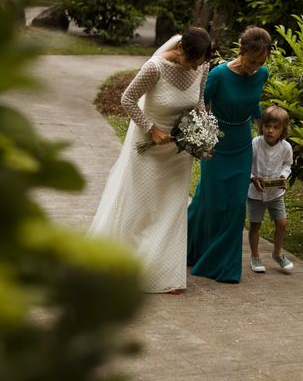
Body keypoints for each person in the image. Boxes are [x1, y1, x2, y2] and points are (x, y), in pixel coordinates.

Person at [88, 27, 212, 293]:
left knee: (172, 208)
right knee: (142, 206)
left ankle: (166, 274)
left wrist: (202, 139)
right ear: (180, 50)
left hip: (179, 150)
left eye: (200, 64)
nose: (195, 69)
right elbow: (128, 99)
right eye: (192, 62)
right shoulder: (155, 67)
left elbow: (199, 103)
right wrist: (151, 129)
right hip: (149, 146)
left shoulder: (202, 66)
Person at [187, 26, 272, 283]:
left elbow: (253, 103)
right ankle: (187, 248)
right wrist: (201, 140)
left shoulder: (262, 74)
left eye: (261, 62)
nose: (256, 67)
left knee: (235, 207)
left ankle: (221, 265)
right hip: (216, 145)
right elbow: (198, 105)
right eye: (252, 60)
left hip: (242, 145)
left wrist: (267, 128)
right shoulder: (219, 74)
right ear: (241, 51)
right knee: (210, 203)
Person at [247, 105, 294, 273]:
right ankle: (255, 256)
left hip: (276, 193)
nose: (270, 131)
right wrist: (252, 178)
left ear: (283, 130)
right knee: (255, 225)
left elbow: (288, 164)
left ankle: (277, 253)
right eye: (267, 126)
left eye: (276, 127)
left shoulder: (286, 147)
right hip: (255, 194)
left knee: (282, 223)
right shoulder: (255, 144)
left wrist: (283, 176)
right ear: (261, 126)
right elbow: (246, 165)